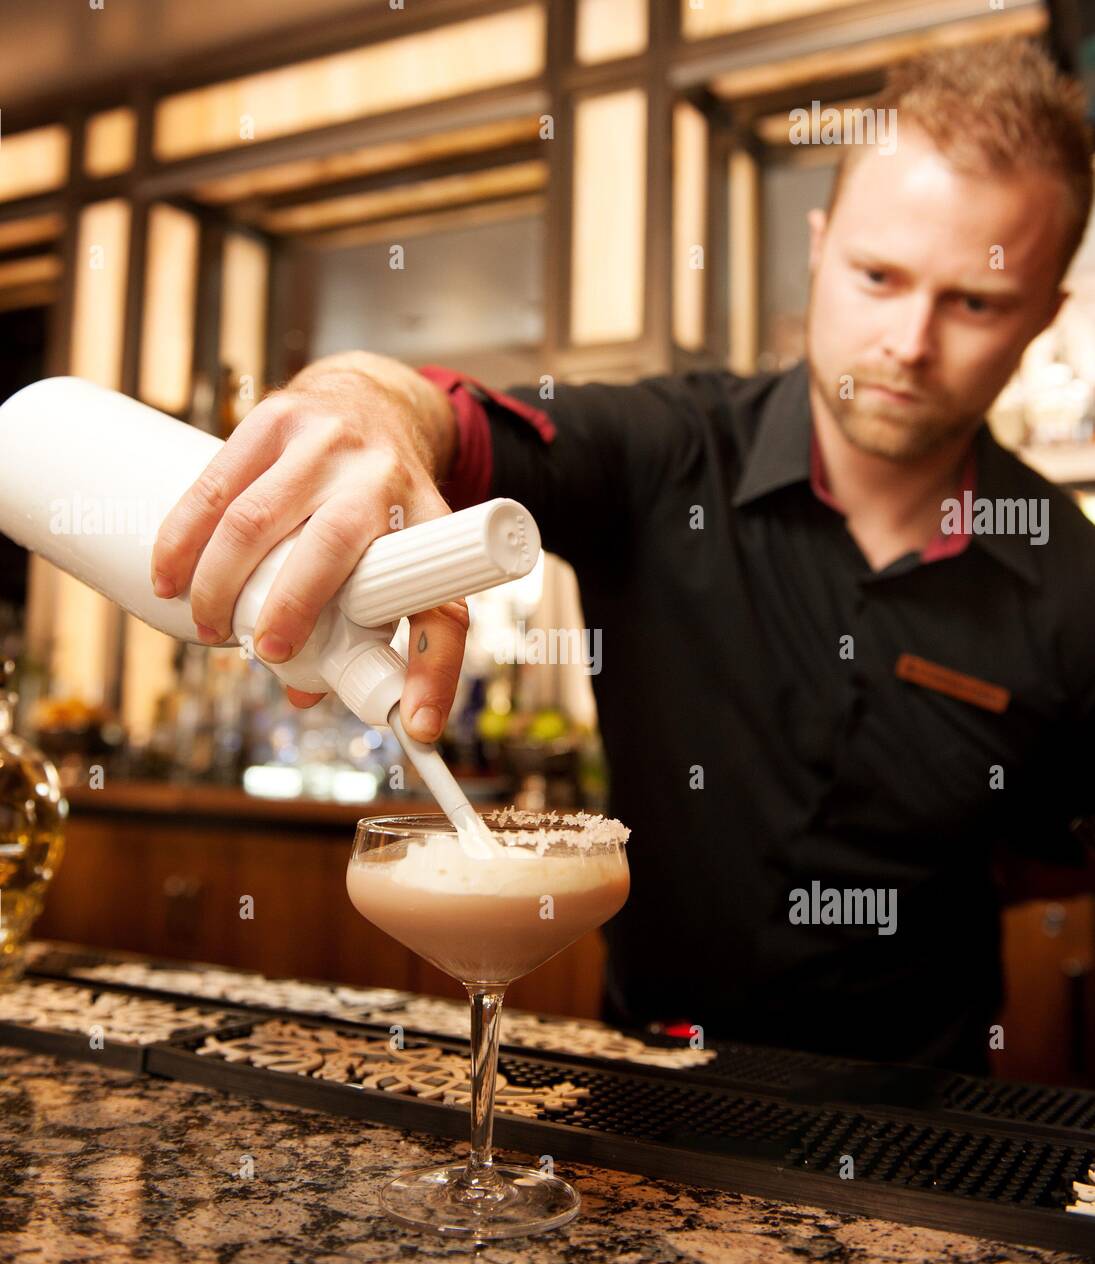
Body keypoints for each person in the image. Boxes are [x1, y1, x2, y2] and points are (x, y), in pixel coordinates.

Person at [151, 39, 1095, 1074]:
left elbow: (1052, 859)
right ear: (820, 250)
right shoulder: (667, 454)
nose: (910, 341)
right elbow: (456, 422)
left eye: (976, 302)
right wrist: (363, 403)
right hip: (647, 1097)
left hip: (932, 1141)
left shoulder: (1069, 581)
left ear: (1046, 313)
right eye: (878, 275)